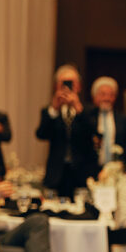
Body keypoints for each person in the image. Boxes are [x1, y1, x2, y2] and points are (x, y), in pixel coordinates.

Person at [36, 65, 98, 196]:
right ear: (56, 86)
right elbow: (41, 134)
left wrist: (78, 108)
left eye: (71, 83)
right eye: (63, 83)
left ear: (79, 86)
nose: (67, 87)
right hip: (56, 173)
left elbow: (93, 132)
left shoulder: (89, 110)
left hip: (82, 172)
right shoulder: (49, 111)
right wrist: (54, 109)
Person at [85, 77, 126, 168]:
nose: (107, 98)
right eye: (103, 94)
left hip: (116, 169)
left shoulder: (123, 119)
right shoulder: (87, 117)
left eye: (111, 95)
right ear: (94, 96)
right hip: (90, 169)